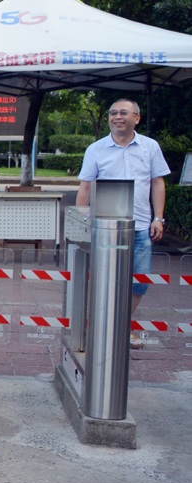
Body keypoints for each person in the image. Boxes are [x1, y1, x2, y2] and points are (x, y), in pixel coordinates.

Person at [76, 99, 169, 348]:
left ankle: (121, 324)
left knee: (140, 281)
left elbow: (158, 182)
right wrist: (82, 222)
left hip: (139, 227)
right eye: (113, 113)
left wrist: (158, 218)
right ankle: (102, 326)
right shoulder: (96, 149)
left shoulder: (150, 147)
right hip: (105, 230)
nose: (118, 117)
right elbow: (85, 186)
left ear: (136, 118)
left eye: (124, 113)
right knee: (104, 279)